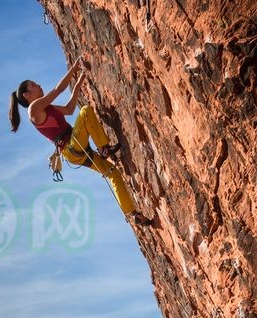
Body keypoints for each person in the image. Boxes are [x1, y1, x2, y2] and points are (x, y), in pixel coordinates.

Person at [8, 59, 151, 226]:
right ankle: (104, 149)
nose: (38, 85)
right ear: (27, 95)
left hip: (73, 151)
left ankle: (132, 214)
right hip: (71, 145)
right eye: (33, 85)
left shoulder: (47, 108)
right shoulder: (34, 110)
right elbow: (58, 89)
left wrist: (79, 82)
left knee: (113, 173)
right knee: (85, 111)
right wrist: (74, 69)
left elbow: (69, 109)